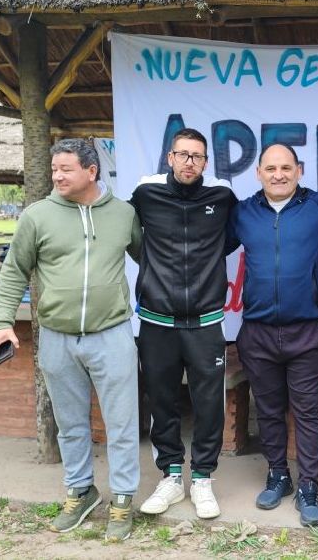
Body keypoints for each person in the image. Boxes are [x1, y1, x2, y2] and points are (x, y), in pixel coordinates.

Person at [0, 139, 142, 542]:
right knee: (70, 425)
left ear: (91, 172)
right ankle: (81, 491)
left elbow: (151, 260)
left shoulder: (124, 214)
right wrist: (2, 322)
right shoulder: (37, 216)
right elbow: (13, 272)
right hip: (57, 337)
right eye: (54, 168)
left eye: (65, 169)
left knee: (122, 423)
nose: (56, 175)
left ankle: (123, 498)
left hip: (112, 334)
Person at [226, 143, 318, 527]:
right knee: (269, 411)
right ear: (258, 172)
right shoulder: (242, 212)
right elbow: (206, 241)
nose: (278, 174)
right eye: (270, 168)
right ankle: (278, 475)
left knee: (306, 413)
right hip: (257, 332)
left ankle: (309, 486)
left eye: (286, 167)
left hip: (307, 332)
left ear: (299, 170)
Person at [131, 128, 237, 520]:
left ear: (206, 163)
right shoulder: (146, 196)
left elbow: (243, 229)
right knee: (163, 400)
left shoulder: (222, 198)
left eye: (197, 156)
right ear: (170, 158)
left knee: (209, 404)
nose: (189, 161)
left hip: (206, 322)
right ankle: (172, 476)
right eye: (183, 154)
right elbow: (123, 232)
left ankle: (203, 478)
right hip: (156, 322)